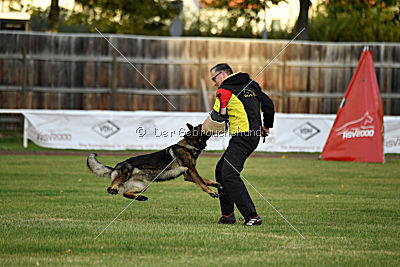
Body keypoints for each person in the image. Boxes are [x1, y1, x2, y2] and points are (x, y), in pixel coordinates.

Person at [209, 63, 275, 226]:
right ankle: (228, 215)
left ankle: (252, 216)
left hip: (243, 137)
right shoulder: (252, 86)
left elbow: (217, 118)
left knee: (229, 173)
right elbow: (269, 105)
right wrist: (266, 126)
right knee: (220, 169)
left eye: (214, 79)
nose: (214, 83)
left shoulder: (224, 90)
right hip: (251, 137)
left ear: (223, 75)